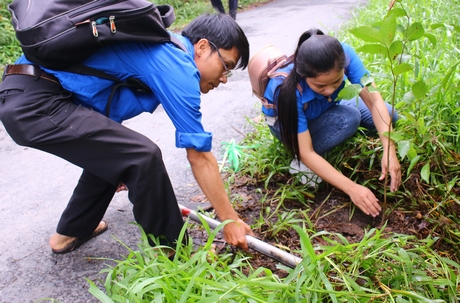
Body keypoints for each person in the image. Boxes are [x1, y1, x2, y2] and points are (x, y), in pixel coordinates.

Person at [0, 14, 253, 254]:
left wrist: (118, 166)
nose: (224, 79)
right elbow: (199, 155)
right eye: (226, 66)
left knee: (122, 153)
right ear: (202, 47)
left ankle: (71, 232)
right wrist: (229, 220)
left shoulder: (160, 48)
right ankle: (179, 257)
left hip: (25, 93)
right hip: (36, 102)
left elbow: (104, 109)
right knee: (143, 156)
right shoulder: (178, 66)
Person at [262, 29, 402, 218]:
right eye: (320, 86)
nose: (329, 90)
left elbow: (374, 101)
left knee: (390, 114)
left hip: (324, 105)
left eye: (336, 82)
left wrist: (389, 150)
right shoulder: (285, 89)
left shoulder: (343, 55)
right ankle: (300, 165)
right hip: (287, 123)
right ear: (304, 76)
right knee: (348, 119)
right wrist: (352, 189)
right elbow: (306, 151)